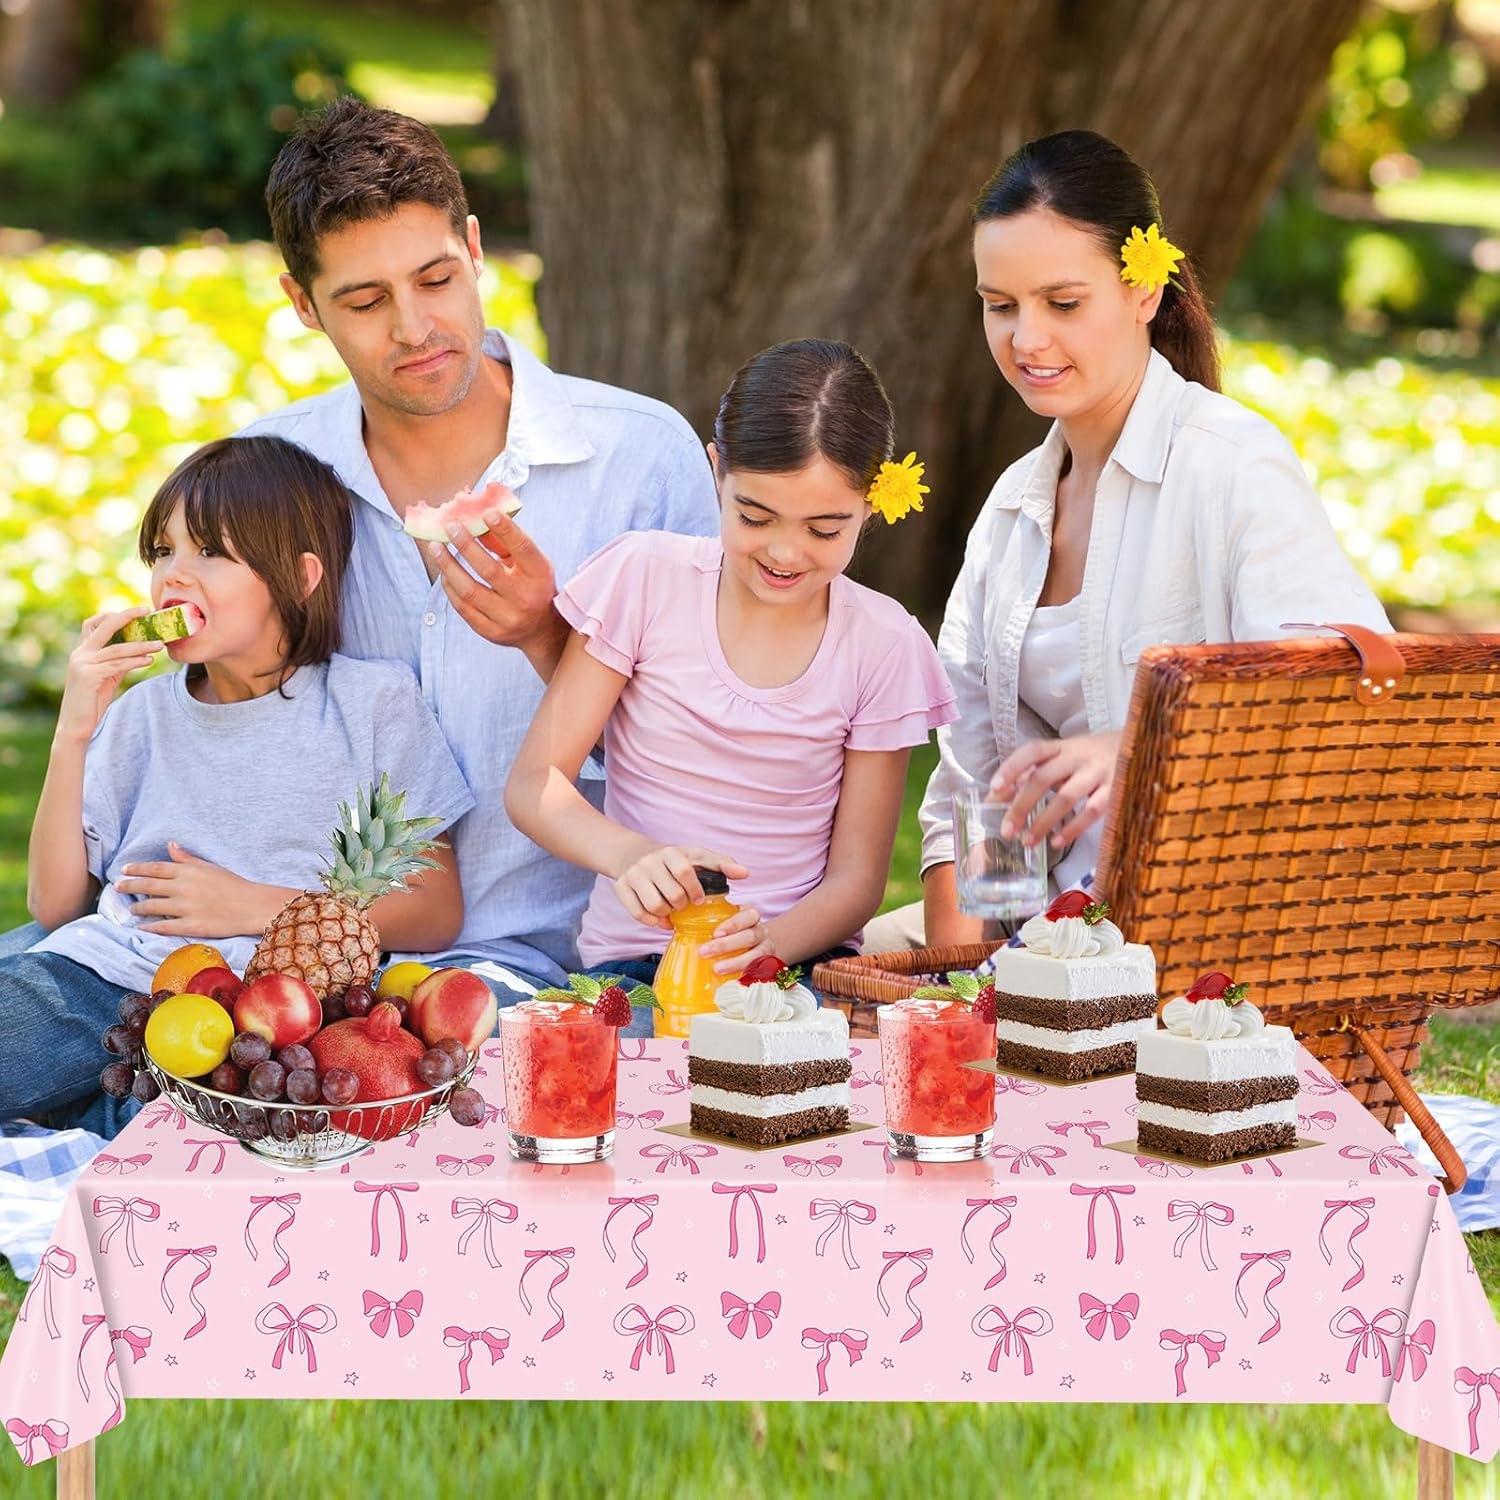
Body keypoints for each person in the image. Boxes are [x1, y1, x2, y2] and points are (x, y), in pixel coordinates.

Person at [235, 97, 719, 1004]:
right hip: (308, 950)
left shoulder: (640, 455)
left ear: (476, 247)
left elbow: (716, 746)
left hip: (558, 962)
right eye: (366, 300)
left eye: (436, 278)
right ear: (303, 305)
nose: (415, 328)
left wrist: (549, 639)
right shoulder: (269, 476)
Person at [866, 129, 1391, 953]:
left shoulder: (1230, 463)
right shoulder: (1010, 511)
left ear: (1145, 292)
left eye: (1062, 303)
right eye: (1000, 305)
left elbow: (1340, 696)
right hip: (1045, 936)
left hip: (1212, 943)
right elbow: (973, 789)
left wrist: (1143, 750)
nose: (1026, 340)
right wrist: (957, 989)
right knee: (833, 975)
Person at [7, 437, 473, 1137]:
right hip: (105, 979)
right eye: (162, 552)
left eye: (210, 553)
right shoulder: (140, 716)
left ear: (299, 577)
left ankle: (96, 1108)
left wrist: (252, 905)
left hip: (278, 1022)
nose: (174, 578)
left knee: (205, 1121)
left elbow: (436, 910)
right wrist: (73, 733)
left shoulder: (371, 704)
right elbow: (53, 903)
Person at [505, 339, 956, 1029]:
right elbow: (536, 783)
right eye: (754, 516)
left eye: (824, 528)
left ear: (872, 503)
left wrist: (768, 947)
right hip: (635, 972)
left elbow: (859, 879)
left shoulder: (883, 643)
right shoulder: (645, 578)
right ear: (717, 472)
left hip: (792, 970)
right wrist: (632, 856)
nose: (784, 551)